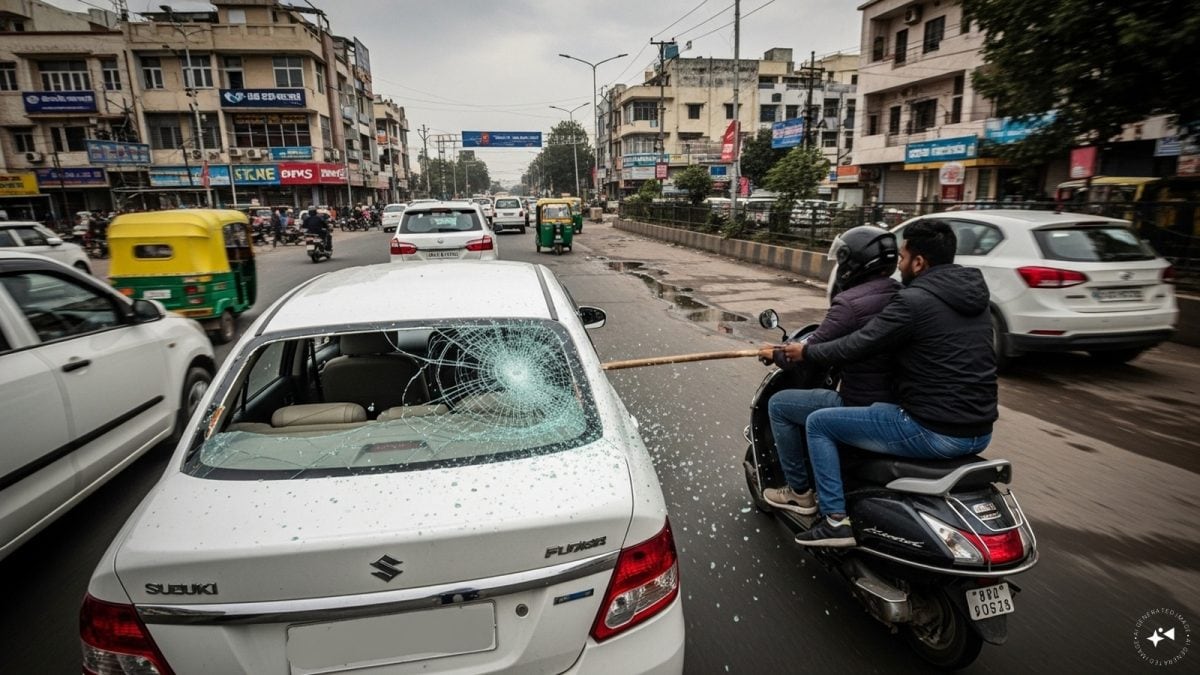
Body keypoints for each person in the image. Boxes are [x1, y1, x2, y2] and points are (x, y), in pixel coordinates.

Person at [775, 219, 997, 548]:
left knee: (819, 423)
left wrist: (805, 352)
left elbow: (857, 345)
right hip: (980, 430)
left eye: (905, 258)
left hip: (934, 430)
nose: (900, 266)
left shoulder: (913, 301)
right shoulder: (975, 299)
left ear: (919, 262)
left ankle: (835, 520)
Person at [756, 226, 901, 515]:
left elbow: (813, 351)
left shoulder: (850, 303)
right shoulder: (901, 294)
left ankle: (799, 492)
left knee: (779, 405)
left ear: (854, 263)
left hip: (861, 402)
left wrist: (776, 355)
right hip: (896, 400)